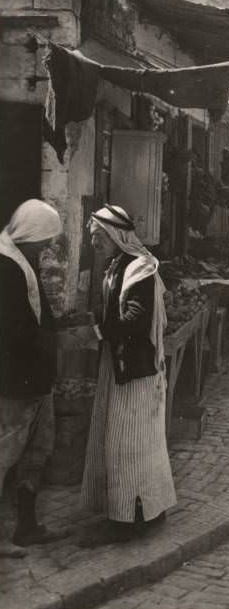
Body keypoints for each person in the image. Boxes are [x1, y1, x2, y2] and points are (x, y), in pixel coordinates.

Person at [80, 205, 176, 545]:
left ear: (116, 236)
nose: (94, 242)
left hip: (135, 369)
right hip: (121, 364)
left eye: (98, 236)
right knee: (132, 441)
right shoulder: (117, 264)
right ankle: (146, 509)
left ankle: (128, 519)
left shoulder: (140, 269)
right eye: (92, 236)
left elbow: (135, 320)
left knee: (128, 443)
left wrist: (97, 330)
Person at [0, 199, 63, 552]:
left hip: (36, 379)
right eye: (46, 238)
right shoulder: (5, 266)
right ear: (31, 233)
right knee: (4, 455)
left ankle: (27, 526)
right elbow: (13, 330)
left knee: (37, 452)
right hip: (15, 381)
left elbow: (39, 316)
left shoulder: (23, 260)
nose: (49, 246)